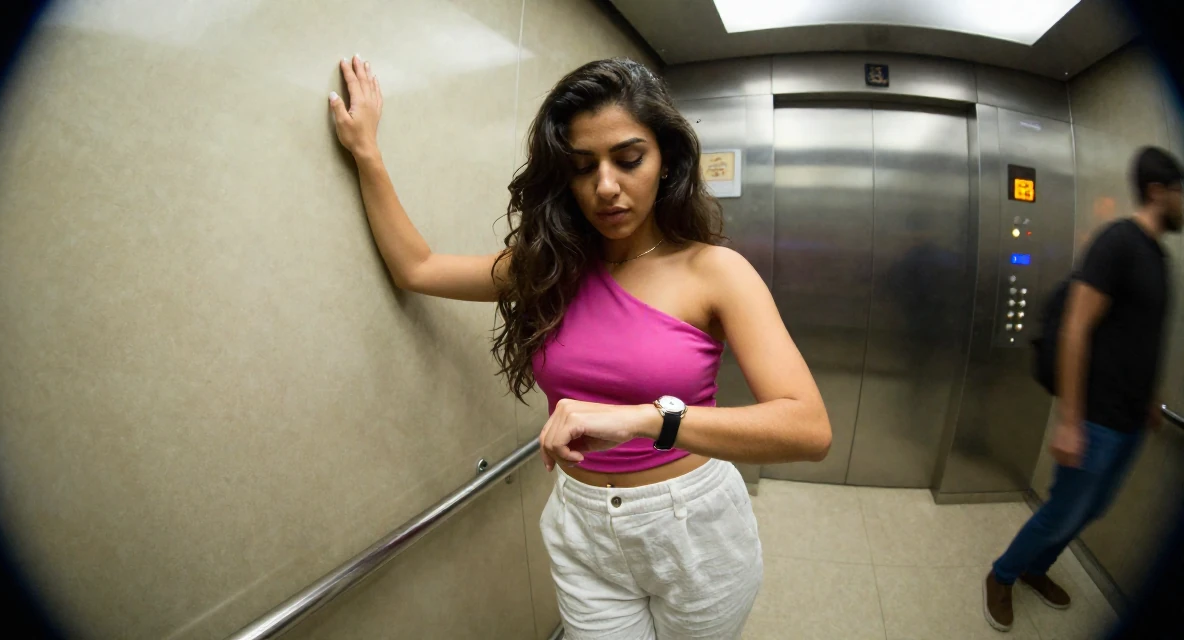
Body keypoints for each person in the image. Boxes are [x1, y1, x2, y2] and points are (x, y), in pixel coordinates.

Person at [327, 55, 831, 638]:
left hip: (693, 527)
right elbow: (417, 268)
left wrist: (645, 419)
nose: (606, 187)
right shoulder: (547, 268)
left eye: (629, 159)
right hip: (583, 525)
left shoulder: (715, 271)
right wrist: (366, 151)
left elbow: (807, 429)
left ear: (666, 160)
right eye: (582, 167)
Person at [983, 146, 1184, 632]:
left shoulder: (1158, 257)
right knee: (1062, 512)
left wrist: (1149, 400)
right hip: (1095, 418)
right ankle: (1002, 574)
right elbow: (1076, 328)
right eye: (1181, 192)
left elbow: (1142, 336)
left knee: (1091, 509)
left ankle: (1036, 569)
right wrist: (1070, 421)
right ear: (1158, 191)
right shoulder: (1118, 242)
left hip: (1129, 420)